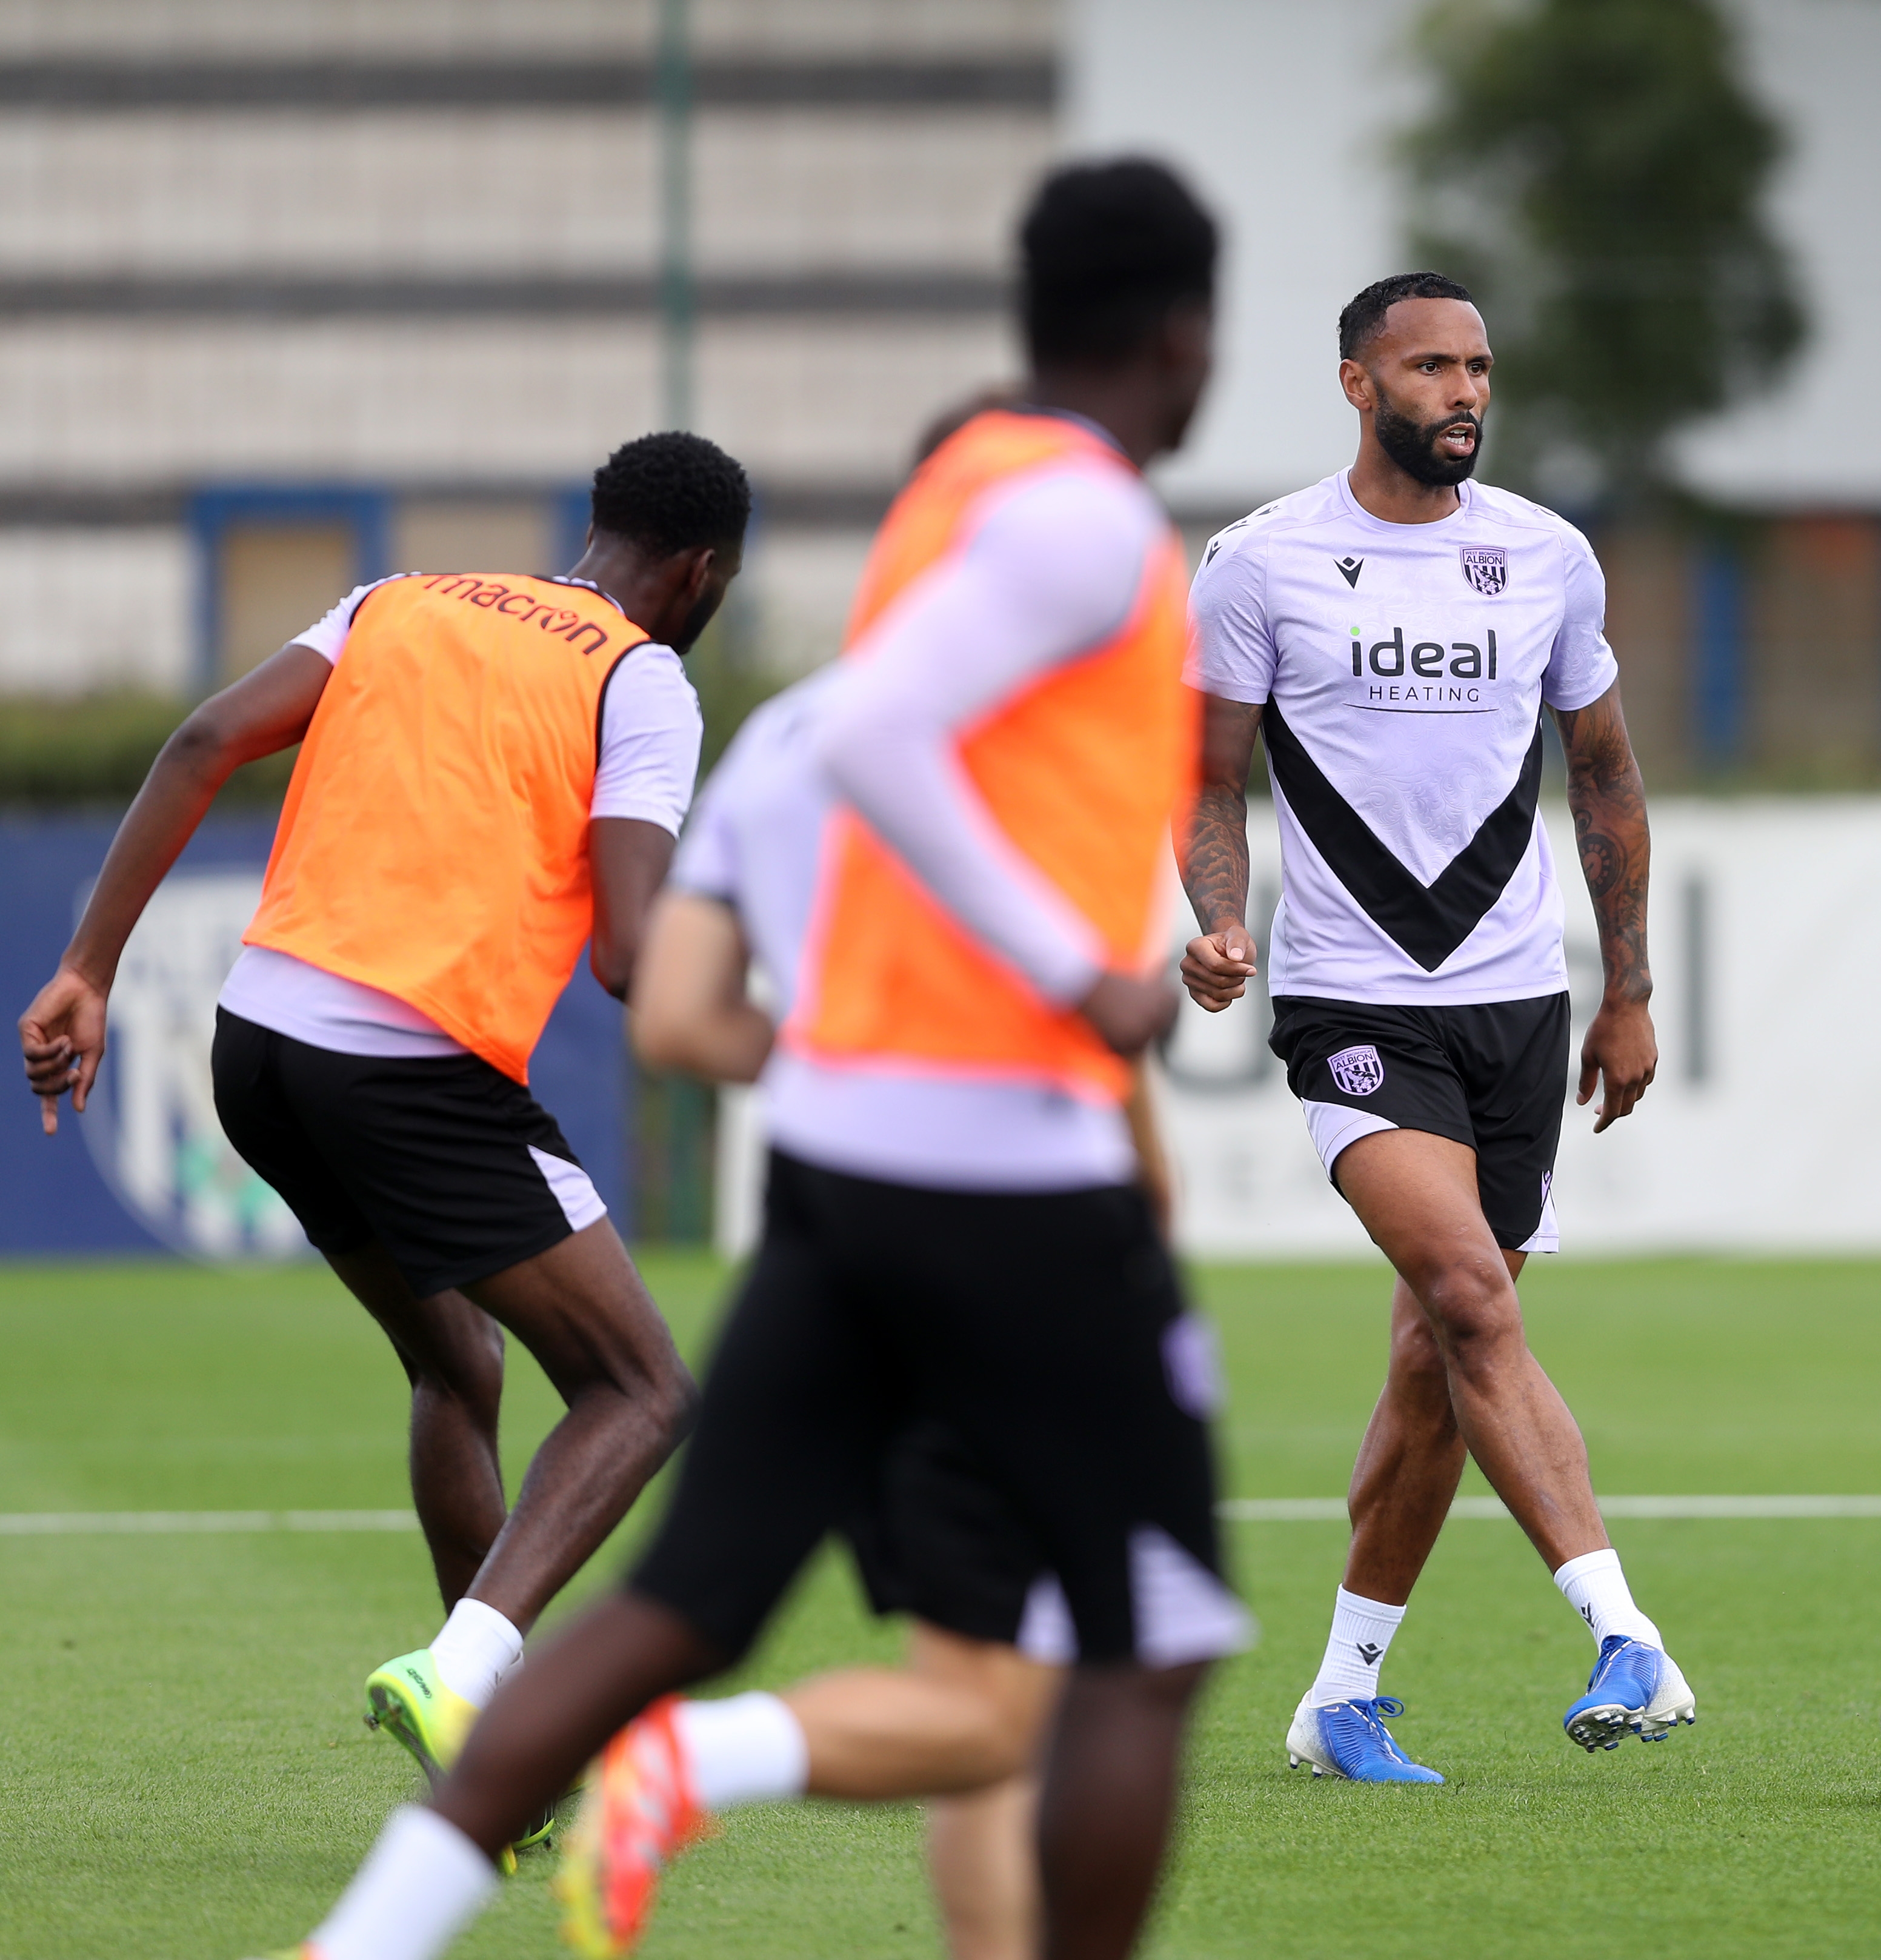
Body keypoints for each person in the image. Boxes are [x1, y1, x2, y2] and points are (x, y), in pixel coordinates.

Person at [261, 157, 1242, 1960]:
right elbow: (887, 735)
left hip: (841, 1161)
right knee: (1148, 1637)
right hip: (1010, 1166)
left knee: (682, 1596)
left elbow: (706, 984)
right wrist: (1071, 975)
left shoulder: (953, 503)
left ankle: (367, 1936)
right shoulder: (1094, 525)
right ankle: (699, 1761)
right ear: (1190, 335)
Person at [18, 433, 747, 1851]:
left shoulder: (400, 597)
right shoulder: (639, 679)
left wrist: (88, 969)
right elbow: (623, 951)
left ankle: (489, 1758)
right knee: (641, 1389)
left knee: (455, 1358)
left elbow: (201, 742)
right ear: (700, 574)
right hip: (409, 1065)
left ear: (596, 526)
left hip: (258, 1046)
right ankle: (468, 1675)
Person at [1179, 271, 1688, 1785]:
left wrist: (1631, 988)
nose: (1462, 392)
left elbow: (1601, 773)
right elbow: (1204, 776)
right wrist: (1214, 916)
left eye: (1477, 368)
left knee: (1432, 1362)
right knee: (1471, 1294)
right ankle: (1623, 1633)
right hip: (1349, 1003)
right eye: (1429, 368)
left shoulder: (1545, 557)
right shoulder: (1260, 564)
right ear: (1356, 383)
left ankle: (1341, 1698)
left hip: (1515, 1012)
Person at [616, 626, 1175, 1960]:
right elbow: (1090, 1033)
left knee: (973, 1686)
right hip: (1009, 1245)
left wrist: (843, 1075)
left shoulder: (785, 735)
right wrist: (1147, 1223)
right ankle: (694, 1758)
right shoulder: (1040, 749)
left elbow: (679, 1019)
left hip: (830, 1236)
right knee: (1024, 1701)